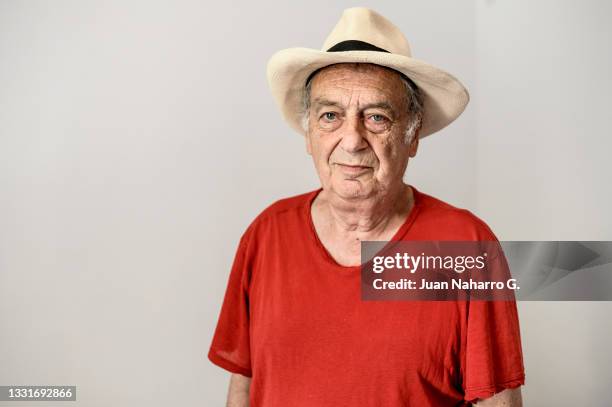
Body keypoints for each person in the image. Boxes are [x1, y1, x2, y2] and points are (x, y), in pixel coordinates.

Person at [208, 7, 525, 406]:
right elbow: (245, 383)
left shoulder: (468, 247)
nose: (352, 140)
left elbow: (498, 402)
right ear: (310, 136)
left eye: (376, 117)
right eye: (330, 116)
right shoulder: (266, 233)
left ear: (412, 137)